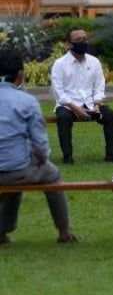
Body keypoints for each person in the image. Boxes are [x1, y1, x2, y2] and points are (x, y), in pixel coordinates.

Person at [0, 49, 78, 244]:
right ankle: (64, 232)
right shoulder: (26, 101)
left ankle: (2, 232)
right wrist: (40, 160)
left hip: (11, 168)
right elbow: (40, 145)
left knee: (12, 179)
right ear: (20, 75)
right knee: (51, 175)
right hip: (17, 169)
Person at [50, 27, 113, 164]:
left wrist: (96, 104)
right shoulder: (59, 64)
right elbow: (58, 92)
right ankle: (67, 157)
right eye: (78, 40)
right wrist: (76, 109)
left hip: (91, 104)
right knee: (63, 118)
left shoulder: (94, 62)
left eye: (85, 39)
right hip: (68, 105)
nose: (83, 42)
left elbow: (99, 86)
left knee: (111, 115)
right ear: (69, 44)